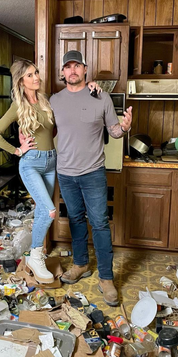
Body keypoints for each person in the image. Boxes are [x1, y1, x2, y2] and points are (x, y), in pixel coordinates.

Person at [0, 58, 100, 285]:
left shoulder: (46, 99)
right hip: (31, 163)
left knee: (42, 210)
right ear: (21, 80)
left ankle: (36, 254)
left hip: (51, 162)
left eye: (36, 72)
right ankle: (35, 257)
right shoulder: (17, 106)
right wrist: (18, 150)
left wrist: (90, 89)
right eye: (30, 75)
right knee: (50, 211)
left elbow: (59, 122)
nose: (36, 77)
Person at [50, 50, 132, 306]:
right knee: (74, 220)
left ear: (85, 69)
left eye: (77, 66)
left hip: (93, 172)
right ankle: (81, 264)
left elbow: (114, 132)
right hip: (65, 172)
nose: (72, 70)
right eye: (68, 67)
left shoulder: (101, 97)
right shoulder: (54, 100)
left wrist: (125, 127)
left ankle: (106, 278)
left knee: (99, 223)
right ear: (62, 72)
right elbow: (44, 129)